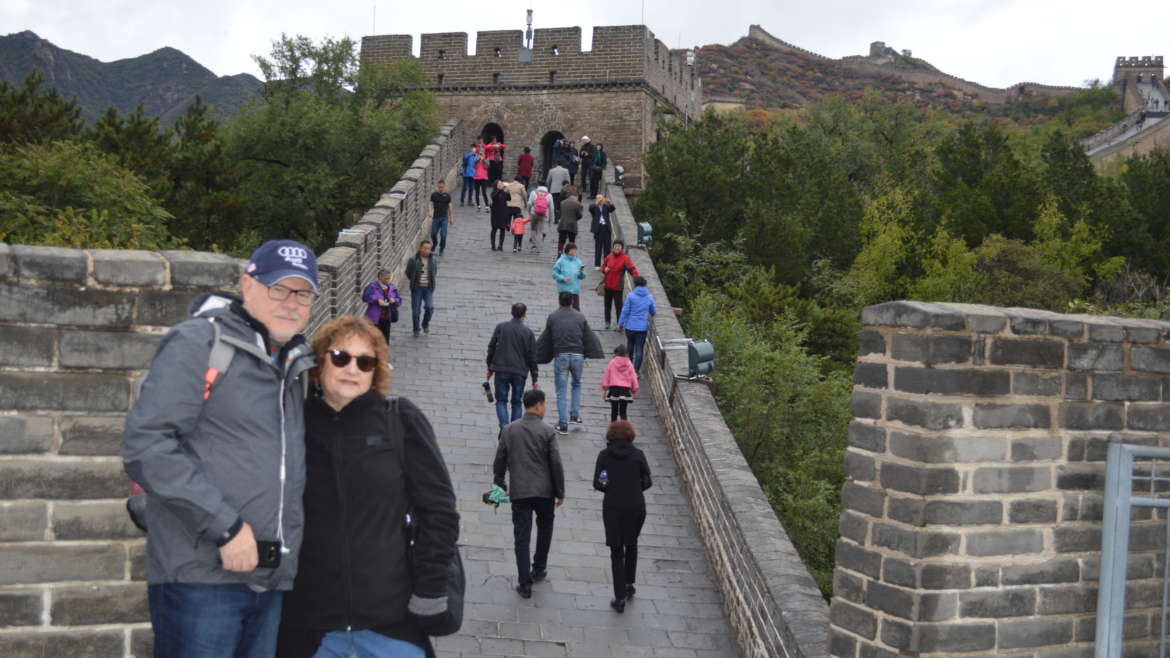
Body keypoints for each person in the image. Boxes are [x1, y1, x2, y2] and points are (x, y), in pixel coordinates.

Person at [123, 239, 319, 657]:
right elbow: (147, 443)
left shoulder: (292, 363)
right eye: (279, 289)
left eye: (303, 294)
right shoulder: (200, 342)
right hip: (201, 579)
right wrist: (225, 528)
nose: (291, 303)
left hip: (268, 578)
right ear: (248, 286)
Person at [277, 316, 459, 658]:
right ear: (320, 362)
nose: (352, 369)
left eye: (365, 362)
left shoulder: (399, 420)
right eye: (340, 357)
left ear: (376, 371)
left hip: (392, 621)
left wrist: (430, 590)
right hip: (310, 626)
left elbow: (440, 513)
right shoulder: (294, 423)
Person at [493, 389, 565, 599]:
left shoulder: (509, 430)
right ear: (537, 405)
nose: (545, 408)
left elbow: (500, 459)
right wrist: (560, 491)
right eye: (545, 404)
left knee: (522, 537)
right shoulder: (548, 431)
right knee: (545, 527)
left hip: (520, 491)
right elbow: (556, 463)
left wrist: (500, 482)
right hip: (544, 492)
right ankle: (539, 567)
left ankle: (525, 583)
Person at [592, 420, 652, 614]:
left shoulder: (604, 456)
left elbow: (599, 483)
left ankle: (619, 598)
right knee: (632, 543)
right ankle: (628, 583)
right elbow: (647, 481)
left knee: (616, 551)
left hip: (613, 508)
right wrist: (634, 488)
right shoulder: (638, 455)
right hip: (636, 507)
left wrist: (611, 487)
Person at [535, 290, 604, 434]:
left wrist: (534, 353)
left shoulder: (553, 317)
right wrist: (593, 351)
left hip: (561, 355)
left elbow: (546, 338)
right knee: (577, 384)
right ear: (572, 302)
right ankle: (575, 415)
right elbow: (588, 336)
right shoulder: (580, 316)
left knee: (561, 391)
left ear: (559, 301)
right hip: (578, 355)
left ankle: (563, 424)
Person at [487, 303, 540, 429]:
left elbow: (491, 348)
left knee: (501, 400)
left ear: (511, 313)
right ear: (524, 314)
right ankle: (514, 431)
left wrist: (490, 368)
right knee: (517, 402)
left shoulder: (501, 327)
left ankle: (504, 427)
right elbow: (532, 357)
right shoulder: (528, 333)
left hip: (501, 369)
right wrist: (535, 378)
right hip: (519, 372)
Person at [618, 276, 656, 373]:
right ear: (645, 285)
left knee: (630, 346)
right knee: (639, 350)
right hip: (642, 328)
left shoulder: (631, 296)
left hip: (630, 326)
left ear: (635, 284)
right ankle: (635, 371)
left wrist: (621, 324)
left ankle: (629, 367)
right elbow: (653, 311)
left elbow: (625, 311)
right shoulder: (649, 297)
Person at [600, 240, 637, 331]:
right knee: (607, 305)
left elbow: (632, 269)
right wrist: (604, 269)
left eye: (619, 246)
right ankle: (607, 322)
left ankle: (620, 325)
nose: (617, 248)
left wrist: (637, 278)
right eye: (615, 246)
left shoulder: (625, 259)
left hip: (617, 287)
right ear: (613, 247)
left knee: (619, 307)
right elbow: (603, 266)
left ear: (622, 248)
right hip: (607, 285)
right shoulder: (609, 256)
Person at [405, 240, 438, 337]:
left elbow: (434, 272)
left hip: (428, 288)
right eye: (425, 248)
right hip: (417, 288)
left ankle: (425, 323)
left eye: (429, 249)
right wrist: (414, 281)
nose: (427, 250)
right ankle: (416, 329)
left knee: (429, 307)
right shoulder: (413, 260)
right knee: (416, 311)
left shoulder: (433, 260)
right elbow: (408, 273)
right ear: (420, 248)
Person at [362, 269, 402, 345]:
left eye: (389, 278)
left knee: (385, 340)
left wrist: (394, 300)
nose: (388, 280)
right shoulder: (372, 286)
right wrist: (377, 300)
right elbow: (365, 297)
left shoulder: (392, 287)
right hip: (374, 318)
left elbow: (399, 300)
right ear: (380, 277)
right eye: (386, 278)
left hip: (387, 317)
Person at [601, 345, 638, 421]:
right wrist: (634, 390)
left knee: (614, 410)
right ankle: (624, 426)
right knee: (623, 411)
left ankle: (613, 426)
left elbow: (607, 375)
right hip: (625, 389)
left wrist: (605, 389)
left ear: (616, 353)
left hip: (614, 389)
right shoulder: (629, 363)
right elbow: (633, 377)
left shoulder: (612, 362)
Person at [550, 243, 587, 311]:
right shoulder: (560, 261)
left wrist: (581, 273)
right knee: (563, 309)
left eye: (575, 250)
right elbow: (554, 273)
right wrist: (562, 278)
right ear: (568, 250)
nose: (574, 252)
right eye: (573, 250)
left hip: (574, 290)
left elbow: (582, 276)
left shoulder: (578, 261)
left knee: (576, 309)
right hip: (564, 290)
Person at [589, 194, 616, 270]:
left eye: (601, 198)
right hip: (598, 229)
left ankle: (606, 264)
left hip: (606, 228)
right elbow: (590, 209)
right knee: (598, 247)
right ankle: (597, 264)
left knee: (607, 247)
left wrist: (610, 202)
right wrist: (597, 203)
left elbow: (613, 208)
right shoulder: (594, 207)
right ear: (596, 199)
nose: (600, 200)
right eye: (598, 198)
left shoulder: (606, 206)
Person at [428, 181, 453, 257]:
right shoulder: (434, 195)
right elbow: (430, 203)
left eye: (442, 187)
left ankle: (441, 248)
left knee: (443, 235)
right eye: (439, 187)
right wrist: (430, 211)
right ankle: (435, 243)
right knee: (433, 234)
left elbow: (450, 207)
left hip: (444, 218)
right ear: (437, 186)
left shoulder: (447, 196)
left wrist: (451, 218)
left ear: (444, 187)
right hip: (436, 217)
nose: (440, 189)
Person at [557, 186, 584, 257]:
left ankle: (559, 253)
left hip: (563, 224)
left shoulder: (563, 202)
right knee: (571, 241)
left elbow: (560, 213)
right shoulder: (578, 204)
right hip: (572, 225)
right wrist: (574, 218)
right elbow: (580, 216)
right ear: (576, 196)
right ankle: (570, 255)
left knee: (561, 241)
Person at [526, 184, 552, 252]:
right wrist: (550, 218)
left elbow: (529, 204)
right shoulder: (549, 195)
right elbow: (551, 208)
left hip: (534, 213)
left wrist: (529, 212)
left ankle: (534, 244)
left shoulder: (533, 193)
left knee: (533, 229)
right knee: (540, 231)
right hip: (543, 215)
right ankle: (538, 248)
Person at [489, 180, 511, 252]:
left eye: (502, 183)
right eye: (500, 183)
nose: (502, 184)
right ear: (496, 185)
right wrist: (499, 190)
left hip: (503, 213)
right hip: (495, 213)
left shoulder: (504, 192)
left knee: (502, 229)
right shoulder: (494, 192)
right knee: (494, 229)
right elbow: (494, 198)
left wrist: (507, 191)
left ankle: (500, 245)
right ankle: (493, 245)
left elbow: (509, 199)